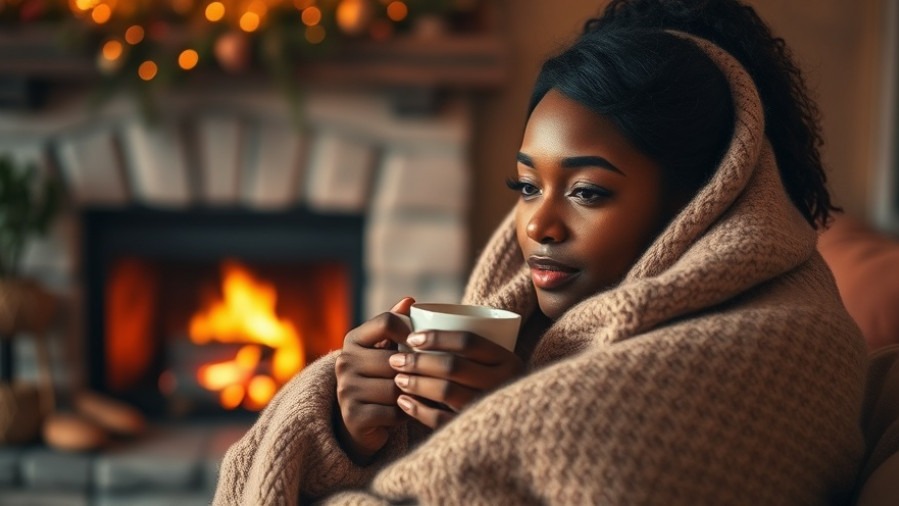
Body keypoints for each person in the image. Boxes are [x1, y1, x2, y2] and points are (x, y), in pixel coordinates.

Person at [213, 0, 868, 504]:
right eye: (526, 186)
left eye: (586, 191)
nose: (538, 226)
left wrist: (508, 408)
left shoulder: (776, 345)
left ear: (703, 201)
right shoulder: (542, 323)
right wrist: (349, 428)